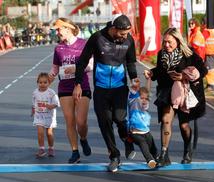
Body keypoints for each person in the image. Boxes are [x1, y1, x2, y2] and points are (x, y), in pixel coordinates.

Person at [73, 14, 139, 172]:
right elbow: (82, 61)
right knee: (105, 122)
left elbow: (130, 62)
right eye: (123, 33)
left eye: (127, 33)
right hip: (101, 89)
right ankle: (114, 156)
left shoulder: (129, 40)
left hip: (120, 88)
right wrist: (77, 84)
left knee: (120, 118)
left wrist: (134, 78)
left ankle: (127, 140)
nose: (126, 36)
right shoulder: (97, 38)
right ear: (114, 29)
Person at [144, 28, 207, 166]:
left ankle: (187, 149)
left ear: (178, 41)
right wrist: (152, 73)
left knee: (184, 125)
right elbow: (160, 71)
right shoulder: (162, 54)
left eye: (169, 42)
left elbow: (203, 70)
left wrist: (183, 76)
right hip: (167, 92)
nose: (166, 45)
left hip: (185, 93)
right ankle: (164, 154)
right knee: (166, 120)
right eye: (164, 42)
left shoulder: (189, 54)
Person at [49, 17, 93, 164]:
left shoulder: (84, 44)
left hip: (82, 86)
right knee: (70, 121)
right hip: (65, 87)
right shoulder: (58, 48)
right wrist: (50, 76)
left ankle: (84, 139)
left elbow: (91, 65)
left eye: (59, 29)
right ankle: (75, 151)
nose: (57, 32)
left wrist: (75, 68)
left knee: (81, 122)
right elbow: (55, 67)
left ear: (68, 28)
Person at [127, 79, 158, 169]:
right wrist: (134, 84)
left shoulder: (146, 104)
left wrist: (148, 79)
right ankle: (150, 160)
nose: (144, 100)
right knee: (143, 144)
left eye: (145, 98)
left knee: (152, 146)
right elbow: (133, 92)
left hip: (146, 132)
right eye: (141, 98)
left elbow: (147, 91)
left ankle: (156, 158)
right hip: (135, 133)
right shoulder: (134, 102)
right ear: (137, 97)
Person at [31, 72, 60, 158]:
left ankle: (51, 148)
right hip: (39, 116)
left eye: (45, 82)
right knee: (40, 132)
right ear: (37, 83)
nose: (42, 84)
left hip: (49, 116)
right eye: (40, 82)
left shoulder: (51, 93)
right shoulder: (35, 93)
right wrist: (33, 110)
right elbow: (34, 103)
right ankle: (42, 149)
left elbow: (56, 103)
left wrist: (51, 106)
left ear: (49, 83)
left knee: (49, 133)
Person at [201, 17, 214, 91]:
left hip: (208, 52)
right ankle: (210, 84)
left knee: (209, 68)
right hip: (213, 51)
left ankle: (211, 84)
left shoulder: (206, 31)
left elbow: (202, 40)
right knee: (211, 68)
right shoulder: (213, 30)